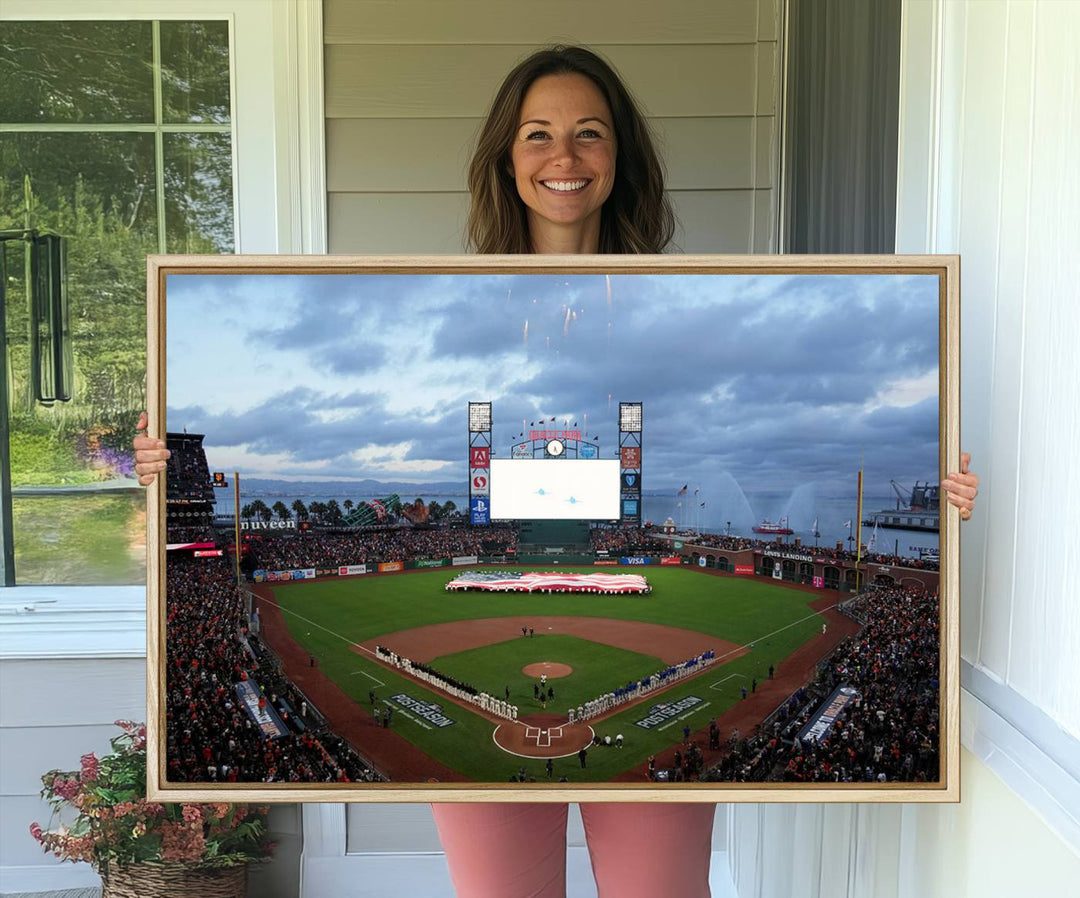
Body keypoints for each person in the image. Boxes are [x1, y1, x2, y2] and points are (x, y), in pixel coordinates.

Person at [133, 43, 980, 898]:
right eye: (537, 134)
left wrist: (944, 501)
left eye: (589, 133)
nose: (563, 157)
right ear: (507, 156)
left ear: (620, 157)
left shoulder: (683, 294)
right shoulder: (451, 292)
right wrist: (159, 475)